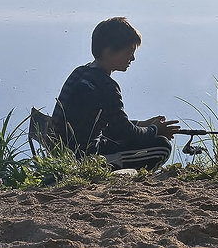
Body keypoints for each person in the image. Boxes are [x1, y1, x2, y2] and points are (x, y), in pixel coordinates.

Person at [51, 17, 181, 170]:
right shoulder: (106, 85)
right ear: (109, 51)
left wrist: (143, 124)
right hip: (86, 155)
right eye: (129, 52)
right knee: (162, 146)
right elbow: (125, 133)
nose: (132, 58)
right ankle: (103, 167)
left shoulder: (79, 72)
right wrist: (155, 130)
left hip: (64, 152)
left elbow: (109, 124)